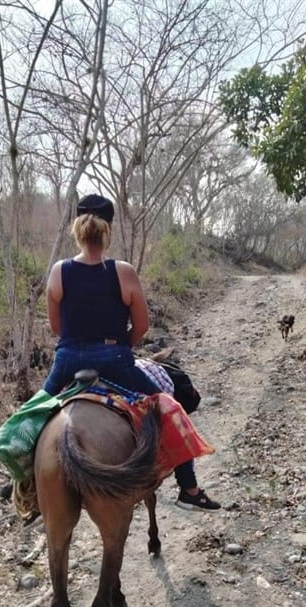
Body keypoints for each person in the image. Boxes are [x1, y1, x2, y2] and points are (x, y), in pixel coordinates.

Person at [43, 193, 220, 512]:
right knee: (169, 410)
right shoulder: (122, 272)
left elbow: (57, 328)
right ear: (107, 230)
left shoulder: (59, 271)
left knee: (29, 417)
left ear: (76, 229)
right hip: (114, 361)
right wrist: (118, 345)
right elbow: (141, 324)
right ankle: (189, 489)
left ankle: (29, 487)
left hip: (67, 360)